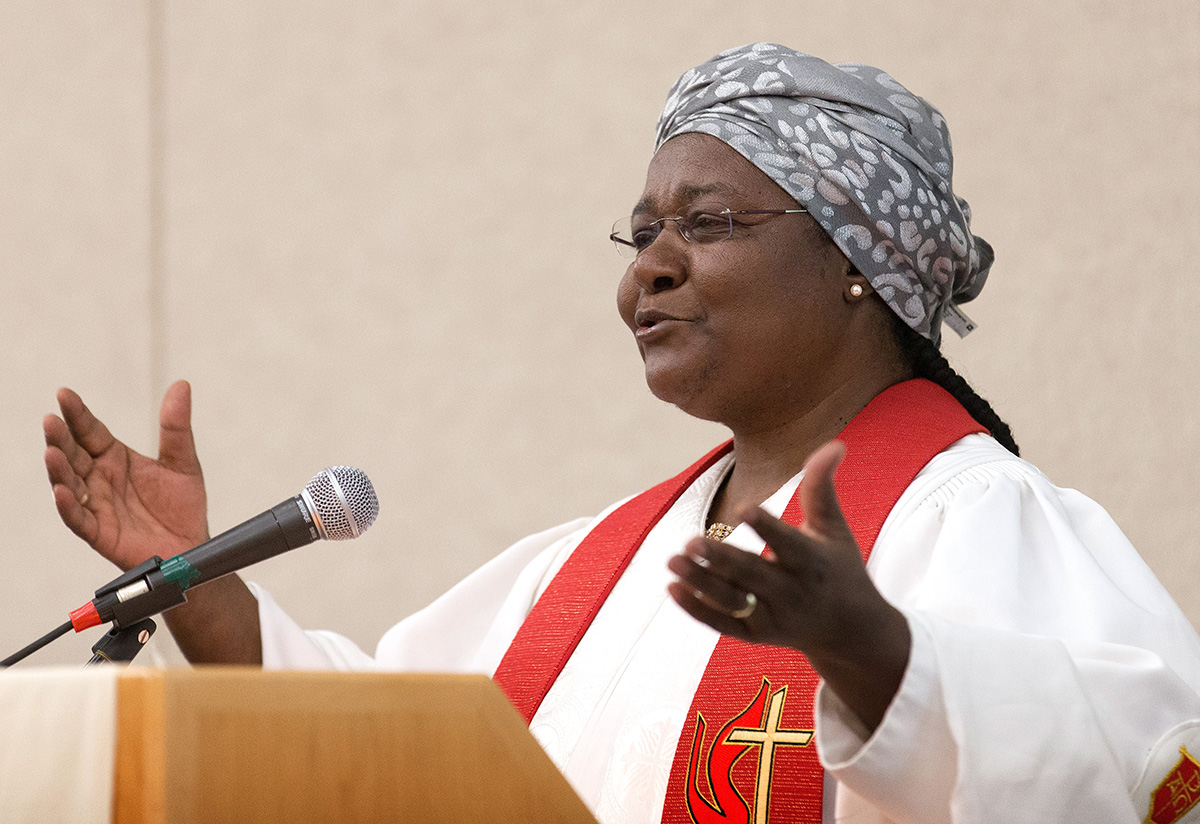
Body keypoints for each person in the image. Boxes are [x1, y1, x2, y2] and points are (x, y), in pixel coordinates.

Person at [43, 43, 1200, 824]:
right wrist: (196, 581)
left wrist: (882, 659)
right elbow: (395, 747)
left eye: (707, 222)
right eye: (640, 231)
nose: (650, 266)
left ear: (855, 262)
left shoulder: (983, 520)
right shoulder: (592, 567)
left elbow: (1149, 759)